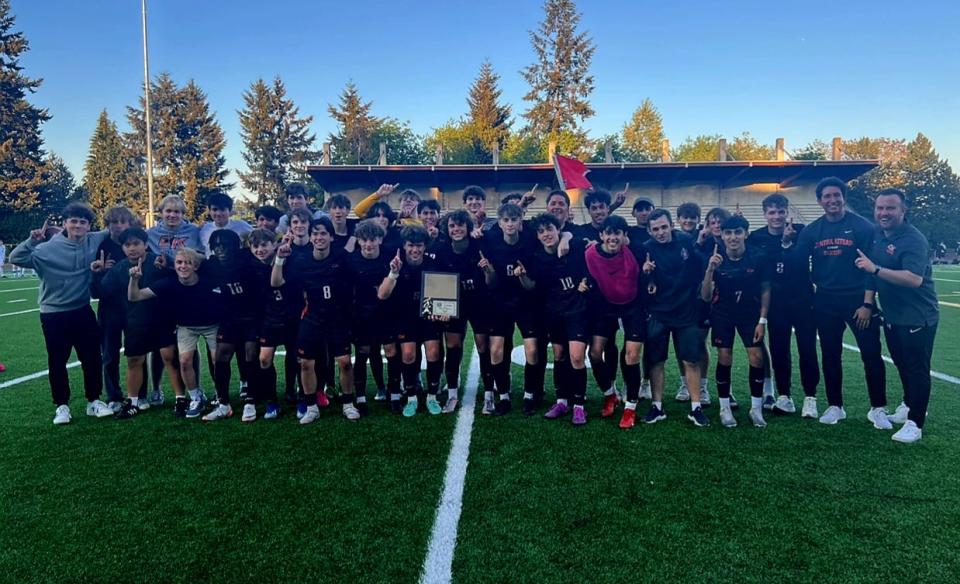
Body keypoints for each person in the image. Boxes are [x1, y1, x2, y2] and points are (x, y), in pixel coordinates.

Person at [784, 177, 887, 426]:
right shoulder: (812, 231)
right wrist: (787, 241)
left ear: (844, 198)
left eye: (836, 195)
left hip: (858, 299)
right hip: (826, 300)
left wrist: (867, 305)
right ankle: (835, 405)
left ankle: (878, 407)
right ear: (819, 201)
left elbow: (870, 270)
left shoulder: (862, 227)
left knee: (871, 354)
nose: (832, 200)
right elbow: (797, 264)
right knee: (830, 354)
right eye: (826, 196)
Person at [11, 203, 115, 424]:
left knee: (92, 357)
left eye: (83, 222)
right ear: (65, 223)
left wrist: (126, 217)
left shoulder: (93, 239)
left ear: (89, 225)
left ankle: (94, 401)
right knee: (58, 360)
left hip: (82, 309)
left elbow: (115, 226)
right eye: (73, 221)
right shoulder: (46, 249)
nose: (78, 225)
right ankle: (62, 406)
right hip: (53, 314)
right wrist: (33, 240)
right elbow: (15, 257)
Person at [855, 189, 939, 443]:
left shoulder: (914, 239)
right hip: (892, 315)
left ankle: (916, 423)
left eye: (890, 208)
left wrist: (876, 268)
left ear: (904, 211)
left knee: (917, 369)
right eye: (880, 208)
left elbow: (914, 279)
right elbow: (870, 273)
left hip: (917, 316)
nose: (883, 213)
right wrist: (868, 303)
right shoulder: (878, 235)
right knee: (901, 364)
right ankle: (908, 405)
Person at [272, 217, 358, 423]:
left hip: (337, 317)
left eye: (323, 233)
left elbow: (356, 283)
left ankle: (348, 403)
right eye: (315, 234)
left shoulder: (341, 258)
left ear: (330, 236)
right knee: (305, 364)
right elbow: (276, 282)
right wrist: (279, 259)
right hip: (312, 317)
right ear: (310, 237)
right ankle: (311, 407)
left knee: (345, 363)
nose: (319, 237)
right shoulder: (301, 262)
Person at [98, 228, 184, 419]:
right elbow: (100, 292)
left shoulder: (157, 262)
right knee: (134, 360)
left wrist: (169, 264)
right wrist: (97, 273)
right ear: (122, 247)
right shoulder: (119, 269)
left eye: (136, 243)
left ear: (145, 244)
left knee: (169, 357)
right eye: (127, 245)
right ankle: (133, 402)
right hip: (135, 320)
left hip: (162, 318)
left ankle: (180, 398)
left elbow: (177, 277)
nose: (132, 248)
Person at [747, 194, 820, 416]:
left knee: (807, 348)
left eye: (780, 211)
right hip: (776, 302)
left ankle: (810, 397)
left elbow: (800, 263)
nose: (777, 216)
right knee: (779, 349)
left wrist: (787, 243)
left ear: (787, 212)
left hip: (802, 298)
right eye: (772, 212)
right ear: (765, 215)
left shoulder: (801, 231)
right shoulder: (757, 237)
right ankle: (784, 395)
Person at [128, 248, 222, 419]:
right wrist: (134, 280)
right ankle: (195, 397)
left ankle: (221, 395)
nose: (183, 266)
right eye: (179, 262)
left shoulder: (209, 281)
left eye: (188, 263)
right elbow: (135, 296)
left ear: (196, 266)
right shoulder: (169, 283)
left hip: (212, 325)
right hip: (186, 327)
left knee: (218, 360)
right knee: (185, 361)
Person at [519, 213, 592, 425]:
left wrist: (585, 284)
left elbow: (592, 268)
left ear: (557, 228)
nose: (546, 234)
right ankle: (561, 401)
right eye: (541, 232)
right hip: (554, 313)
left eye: (549, 229)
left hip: (578, 311)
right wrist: (522, 276)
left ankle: (579, 406)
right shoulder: (537, 258)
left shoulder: (576, 245)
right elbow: (532, 286)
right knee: (559, 355)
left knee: (576, 357)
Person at [640, 209, 711, 427]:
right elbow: (642, 281)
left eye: (663, 227)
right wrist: (646, 274)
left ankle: (696, 408)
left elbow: (701, 266)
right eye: (655, 229)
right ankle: (657, 407)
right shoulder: (646, 249)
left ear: (672, 225)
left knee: (690, 359)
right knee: (656, 361)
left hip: (685, 311)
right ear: (650, 231)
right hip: (659, 312)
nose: (660, 232)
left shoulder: (686, 241)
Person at [701, 216, 771, 428]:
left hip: (750, 313)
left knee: (757, 357)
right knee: (725, 356)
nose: (733, 237)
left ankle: (756, 409)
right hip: (723, 312)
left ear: (746, 234)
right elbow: (705, 296)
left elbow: (766, 289)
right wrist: (710, 270)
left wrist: (762, 319)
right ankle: (725, 408)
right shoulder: (715, 257)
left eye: (738, 232)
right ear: (722, 235)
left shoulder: (757, 257)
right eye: (728, 233)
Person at [583, 215, 647, 428]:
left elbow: (652, 256)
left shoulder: (635, 251)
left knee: (632, 355)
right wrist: (582, 283)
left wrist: (649, 275)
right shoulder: (589, 254)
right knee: (594, 353)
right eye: (608, 233)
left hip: (633, 307)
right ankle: (610, 394)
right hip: (605, 307)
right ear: (601, 235)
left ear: (624, 236)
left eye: (617, 233)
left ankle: (630, 408)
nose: (613, 238)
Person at [480, 203, 543, 416]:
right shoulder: (490, 242)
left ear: (520, 221)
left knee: (532, 350)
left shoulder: (530, 242)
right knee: (496, 350)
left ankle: (529, 395)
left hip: (526, 303)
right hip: (499, 302)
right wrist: (488, 271)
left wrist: (522, 275)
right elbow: (491, 282)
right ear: (499, 222)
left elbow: (531, 285)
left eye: (514, 219)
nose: (509, 224)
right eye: (505, 220)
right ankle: (504, 396)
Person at [377, 225, 444, 417]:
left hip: (427, 315)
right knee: (407, 354)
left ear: (425, 246)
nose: (415, 250)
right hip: (404, 316)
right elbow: (382, 295)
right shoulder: (395, 264)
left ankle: (432, 396)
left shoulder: (432, 263)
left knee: (433, 351)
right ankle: (412, 397)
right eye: (411, 245)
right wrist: (393, 273)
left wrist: (443, 310)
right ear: (404, 246)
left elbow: (442, 294)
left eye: (419, 245)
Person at [428, 210, 490, 413]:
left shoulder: (479, 245)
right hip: (452, 301)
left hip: (479, 301)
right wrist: (436, 307)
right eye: (452, 226)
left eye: (460, 225)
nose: (456, 229)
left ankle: (489, 394)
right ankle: (452, 393)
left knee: (483, 346)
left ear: (467, 227)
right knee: (453, 345)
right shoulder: (440, 249)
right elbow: (435, 280)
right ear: (447, 229)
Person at [91, 206, 137, 410]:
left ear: (129, 223)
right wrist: (99, 273)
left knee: (137, 352)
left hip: (134, 306)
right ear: (107, 225)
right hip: (109, 308)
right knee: (109, 354)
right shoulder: (102, 244)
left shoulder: (136, 242)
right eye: (114, 223)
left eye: (122, 222)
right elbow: (95, 291)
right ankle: (114, 396)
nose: (118, 226)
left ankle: (138, 394)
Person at [345, 220, 391, 416]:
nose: (368, 244)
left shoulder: (389, 257)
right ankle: (361, 396)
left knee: (385, 351)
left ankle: (386, 389)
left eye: (372, 239)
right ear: (359, 241)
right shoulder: (351, 260)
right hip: (361, 314)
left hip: (385, 312)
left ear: (380, 239)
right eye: (364, 240)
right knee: (363, 352)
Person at [249, 228, 284, 420]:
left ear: (274, 245)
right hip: (267, 319)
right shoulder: (250, 266)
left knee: (299, 359)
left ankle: (300, 396)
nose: (260, 249)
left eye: (264, 245)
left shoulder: (286, 259)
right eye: (256, 246)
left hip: (290, 317)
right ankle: (271, 400)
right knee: (264, 359)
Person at [148, 194, 204, 260]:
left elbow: (203, 255)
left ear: (182, 214)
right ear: (161, 213)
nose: (172, 215)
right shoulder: (150, 234)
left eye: (176, 212)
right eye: (168, 211)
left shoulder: (194, 231)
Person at [199, 192, 253, 257]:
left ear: (229, 211)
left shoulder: (242, 226)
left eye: (222, 209)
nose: (218, 213)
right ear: (210, 211)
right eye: (214, 209)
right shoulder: (205, 229)